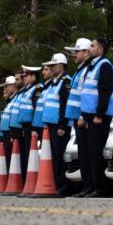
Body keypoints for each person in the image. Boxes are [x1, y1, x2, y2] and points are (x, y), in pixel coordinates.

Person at [79, 39, 113, 197]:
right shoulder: (93, 66)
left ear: (101, 50)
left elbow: (105, 92)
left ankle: (101, 188)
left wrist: (99, 115)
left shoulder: (104, 66)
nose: (90, 48)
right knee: (91, 153)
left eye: (93, 45)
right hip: (90, 117)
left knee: (97, 153)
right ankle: (95, 187)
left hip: (99, 117)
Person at [64, 38, 93, 197]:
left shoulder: (88, 69)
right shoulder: (80, 70)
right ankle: (87, 186)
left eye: (77, 51)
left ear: (86, 52)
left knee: (87, 154)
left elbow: (87, 96)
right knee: (83, 154)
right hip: (77, 118)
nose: (74, 55)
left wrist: (83, 116)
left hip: (83, 118)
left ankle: (90, 187)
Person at [40, 53, 72, 196]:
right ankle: (56, 184)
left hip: (59, 126)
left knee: (60, 157)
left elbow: (65, 105)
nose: (51, 68)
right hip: (51, 126)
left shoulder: (65, 81)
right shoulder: (54, 83)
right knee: (54, 157)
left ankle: (63, 186)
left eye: (53, 66)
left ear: (61, 65)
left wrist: (62, 125)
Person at [17, 66, 42, 174]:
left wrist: (34, 127)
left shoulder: (37, 88)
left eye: (26, 76)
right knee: (27, 153)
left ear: (33, 76)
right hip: (26, 126)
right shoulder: (26, 90)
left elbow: (37, 109)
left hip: (32, 126)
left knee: (31, 153)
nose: (24, 78)